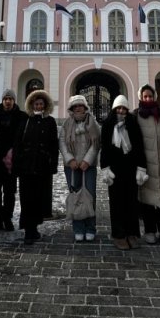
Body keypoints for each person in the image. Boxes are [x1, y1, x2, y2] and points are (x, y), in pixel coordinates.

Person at [100, 95, 147, 250]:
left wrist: (141, 167)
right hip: (115, 170)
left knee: (132, 202)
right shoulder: (108, 124)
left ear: (127, 109)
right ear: (114, 109)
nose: (121, 111)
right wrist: (105, 168)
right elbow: (105, 148)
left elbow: (139, 146)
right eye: (118, 108)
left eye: (124, 108)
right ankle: (119, 234)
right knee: (116, 203)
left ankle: (132, 233)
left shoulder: (132, 123)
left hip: (131, 168)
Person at [13, 90, 59, 244]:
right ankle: (28, 229)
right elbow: (18, 143)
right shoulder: (26, 120)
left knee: (39, 198)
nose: (39, 106)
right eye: (36, 104)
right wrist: (17, 163)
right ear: (32, 105)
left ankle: (35, 227)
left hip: (42, 166)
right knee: (27, 198)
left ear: (45, 106)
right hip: (26, 166)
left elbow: (54, 145)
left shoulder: (50, 122)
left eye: (41, 104)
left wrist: (53, 164)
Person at [59, 94, 100, 242]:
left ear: (85, 107)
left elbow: (96, 144)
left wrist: (87, 161)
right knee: (75, 196)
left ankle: (90, 227)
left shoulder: (93, 123)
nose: (78, 108)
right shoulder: (67, 124)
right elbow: (62, 143)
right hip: (72, 166)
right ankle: (78, 228)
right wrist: (70, 159)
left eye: (80, 106)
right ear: (71, 109)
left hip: (88, 166)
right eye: (75, 106)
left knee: (90, 195)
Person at [135, 84, 160, 245]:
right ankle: (150, 230)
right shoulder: (137, 115)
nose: (148, 99)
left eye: (150, 96)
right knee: (146, 198)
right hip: (145, 163)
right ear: (141, 98)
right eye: (145, 97)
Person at [0, 89, 26, 233]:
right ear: (2, 100)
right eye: (5, 98)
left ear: (14, 100)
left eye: (10, 98)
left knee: (10, 192)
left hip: (12, 160)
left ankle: (7, 218)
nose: (8, 101)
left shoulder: (21, 116)